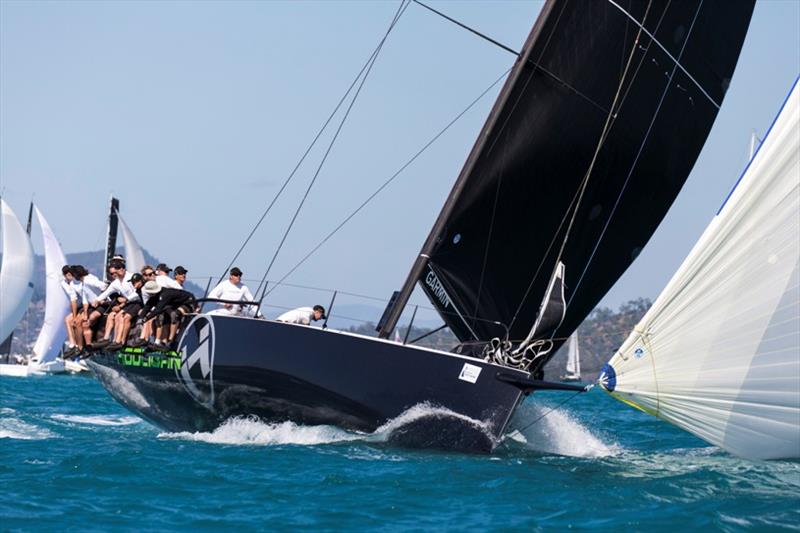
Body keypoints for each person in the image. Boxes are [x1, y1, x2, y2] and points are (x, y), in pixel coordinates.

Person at [131, 281, 197, 348]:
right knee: (161, 316)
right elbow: (147, 307)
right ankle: (160, 342)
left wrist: (146, 318)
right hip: (176, 304)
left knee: (175, 314)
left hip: (189, 301)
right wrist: (140, 318)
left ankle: (170, 342)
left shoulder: (166, 294)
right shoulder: (154, 296)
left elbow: (158, 310)